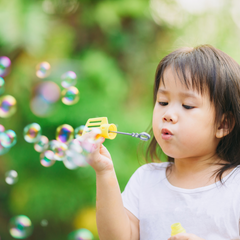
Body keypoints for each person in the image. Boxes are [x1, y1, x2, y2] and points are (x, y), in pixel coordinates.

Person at [85, 45, 240, 240]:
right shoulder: (145, 181)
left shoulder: (236, 188)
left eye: (187, 105)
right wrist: (104, 171)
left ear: (223, 124)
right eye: (163, 102)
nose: (168, 115)